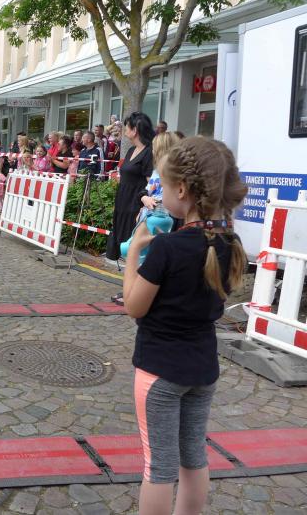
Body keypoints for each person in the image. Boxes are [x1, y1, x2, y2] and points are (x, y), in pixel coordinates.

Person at [122, 136, 247, 515]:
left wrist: (135, 253)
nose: (161, 194)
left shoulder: (167, 248)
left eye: (163, 185)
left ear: (181, 190)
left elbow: (135, 307)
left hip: (160, 370)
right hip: (202, 368)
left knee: (158, 467)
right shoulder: (230, 243)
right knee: (194, 458)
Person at [106, 111, 155, 276]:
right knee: (125, 245)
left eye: (127, 126)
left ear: (135, 130)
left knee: (134, 247)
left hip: (136, 204)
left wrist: (144, 205)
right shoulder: (131, 150)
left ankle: (134, 283)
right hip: (123, 201)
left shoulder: (149, 152)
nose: (124, 129)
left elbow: (152, 183)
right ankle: (129, 282)